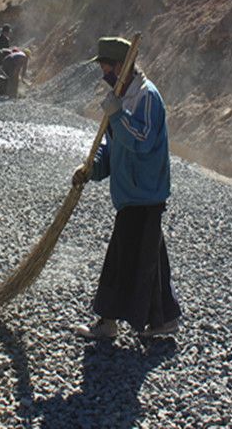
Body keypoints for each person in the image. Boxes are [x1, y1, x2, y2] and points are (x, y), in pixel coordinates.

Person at [72, 36, 181, 340]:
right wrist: (91, 168)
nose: (102, 73)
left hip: (144, 193)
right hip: (132, 193)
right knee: (148, 260)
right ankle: (163, 319)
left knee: (121, 259)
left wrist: (117, 114)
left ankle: (108, 322)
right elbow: (112, 148)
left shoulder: (146, 96)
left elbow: (142, 141)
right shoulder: (120, 96)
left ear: (120, 66)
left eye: (105, 67)